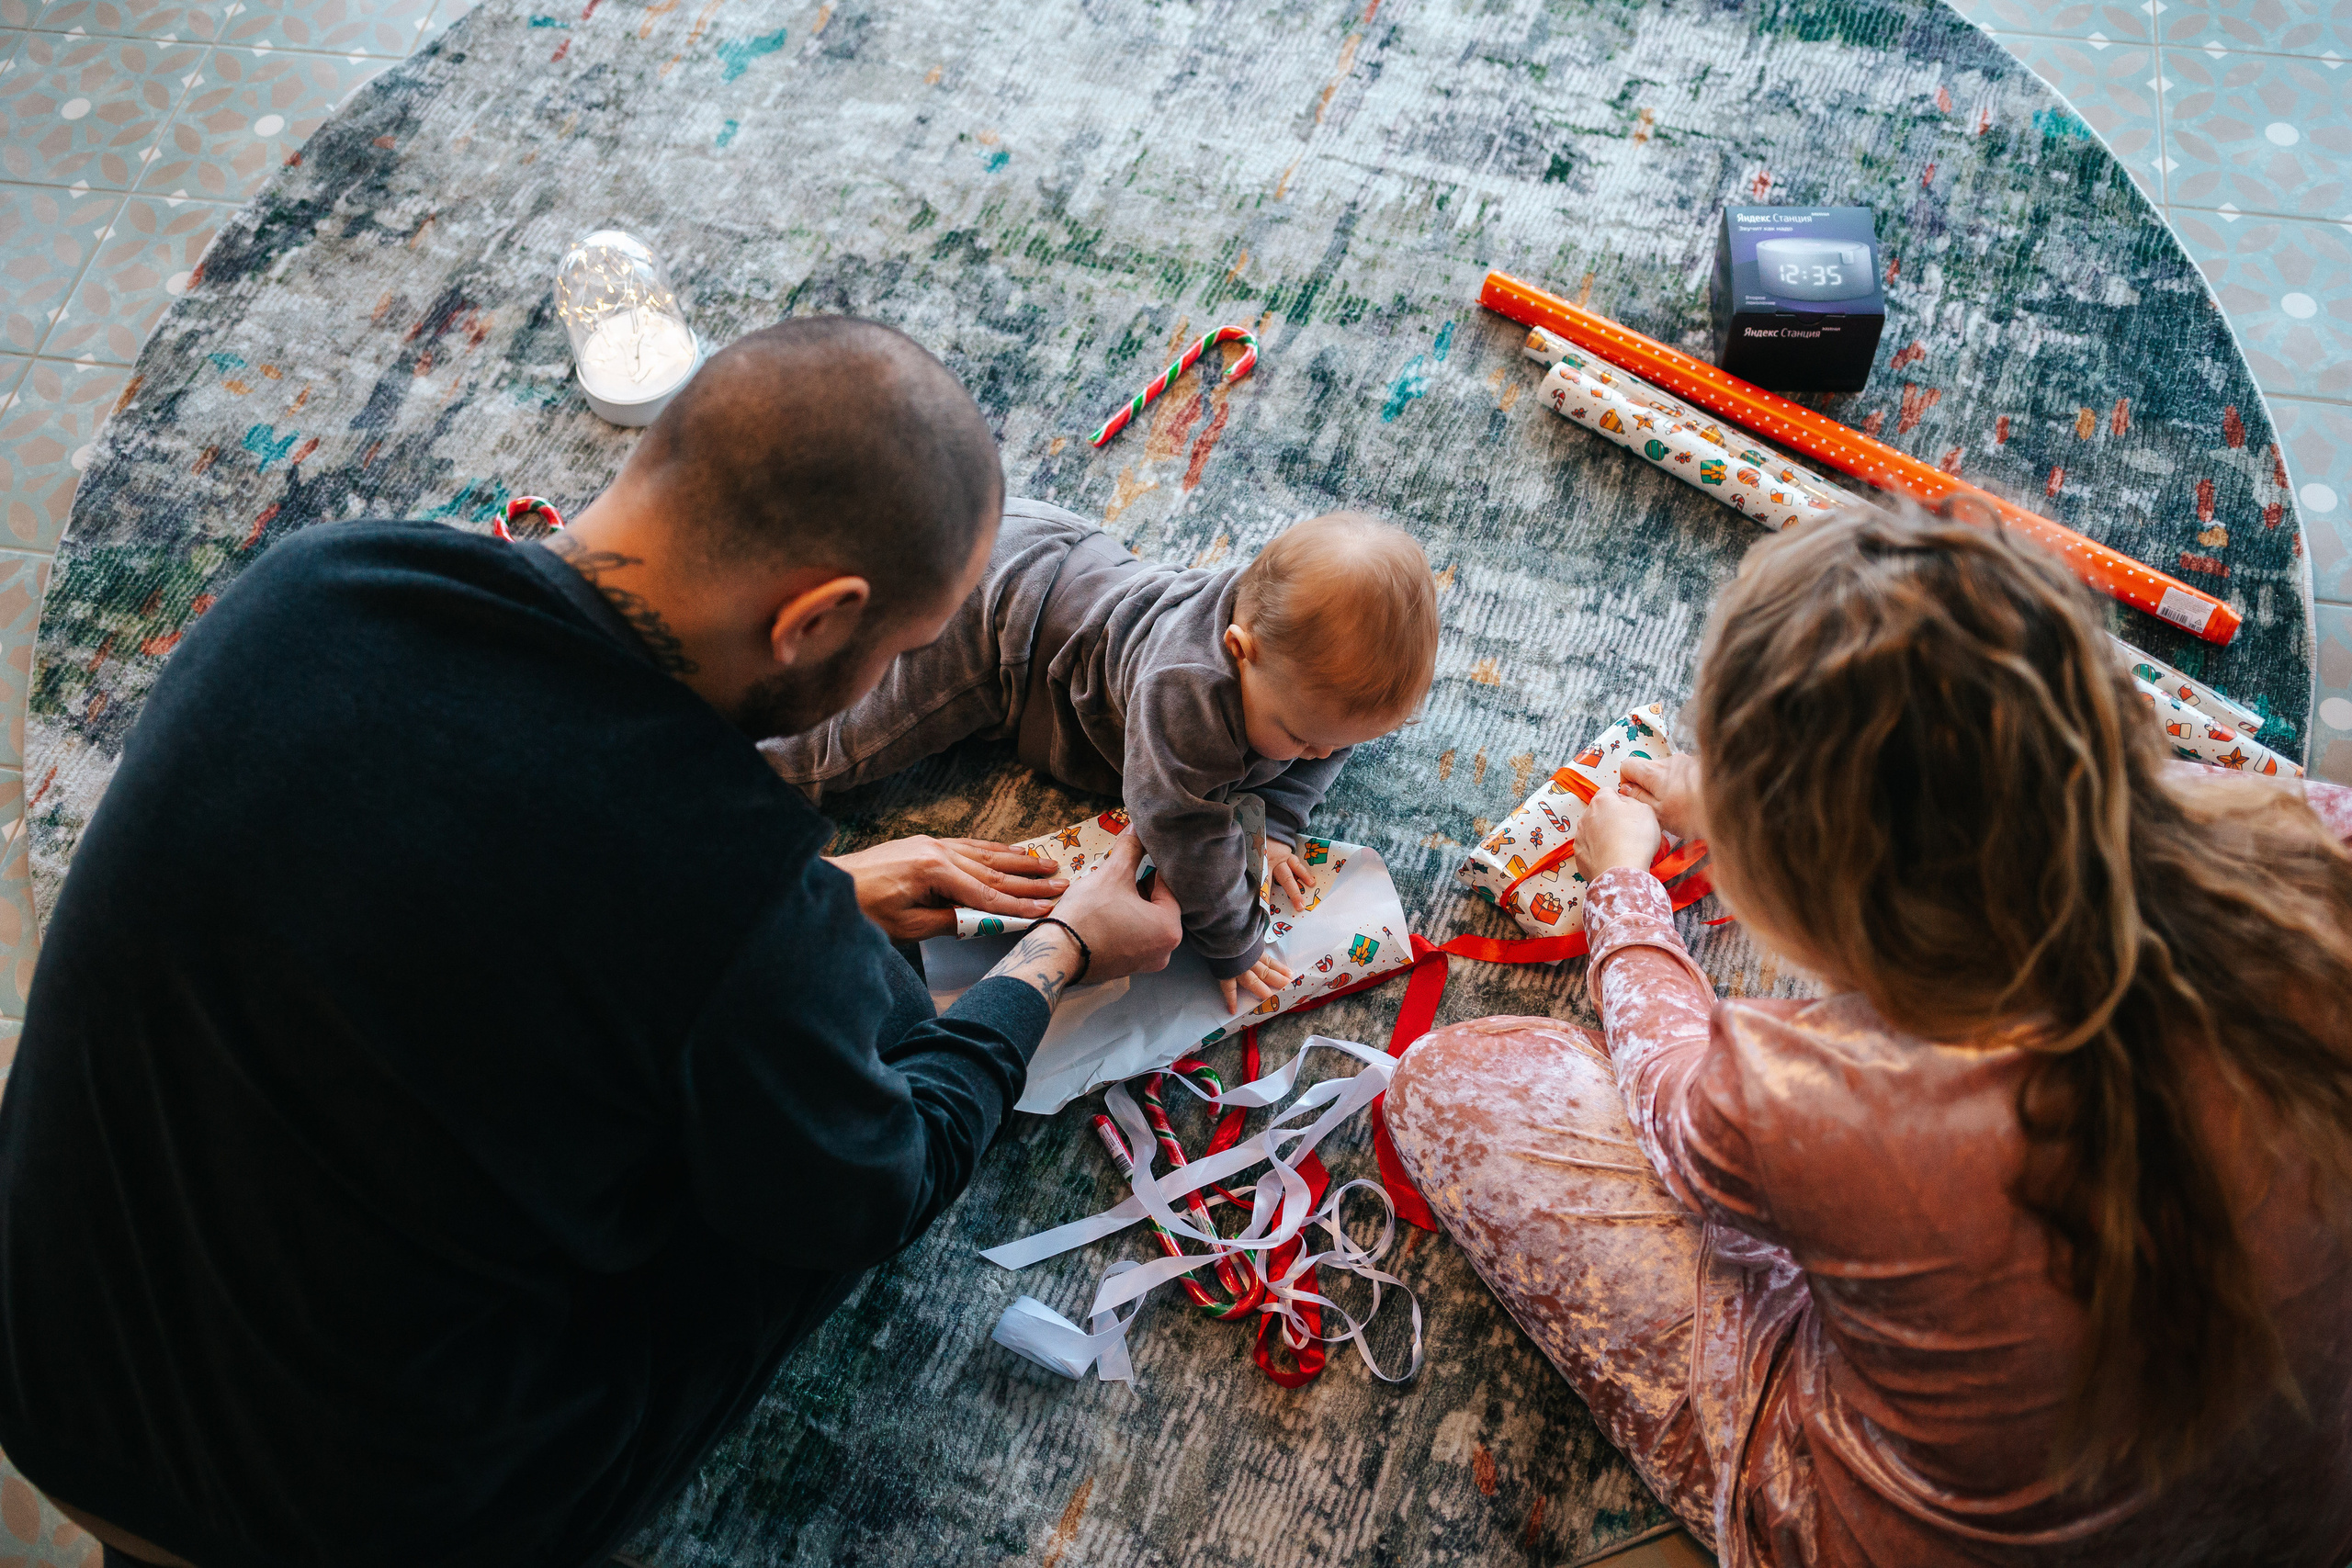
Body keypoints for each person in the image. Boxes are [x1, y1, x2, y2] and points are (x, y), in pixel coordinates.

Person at [0, 318, 1183, 1568]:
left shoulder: (317, 580)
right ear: (814, 619)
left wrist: (819, 896)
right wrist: (1053, 953)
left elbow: (442, 860)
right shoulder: (726, 875)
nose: (898, 668)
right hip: (356, 1526)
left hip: (43, 1372)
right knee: (858, 1086)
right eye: (903, 648)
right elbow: (883, 1181)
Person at [1385, 507, 2352, 1567]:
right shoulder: (2316, 841)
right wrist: (1750, 798)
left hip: (1912, 1538)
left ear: (1820, 898)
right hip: (2297, 1515)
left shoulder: (1815, 1088)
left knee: (1454, 1080)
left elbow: (1669, 1097)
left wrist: (1622, 884)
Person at [765, 507, 1441, 1014]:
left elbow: (1322, 747)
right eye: (1302, 737)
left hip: (1068, 553)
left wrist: (1280, 819)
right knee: (829, 749)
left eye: (1339, 742)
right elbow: (1181, 828)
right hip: (999, 625)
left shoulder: (1292, 665)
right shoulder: (1184, 690)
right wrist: (1236, 942)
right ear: (1240, 651)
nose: (1322, 756)